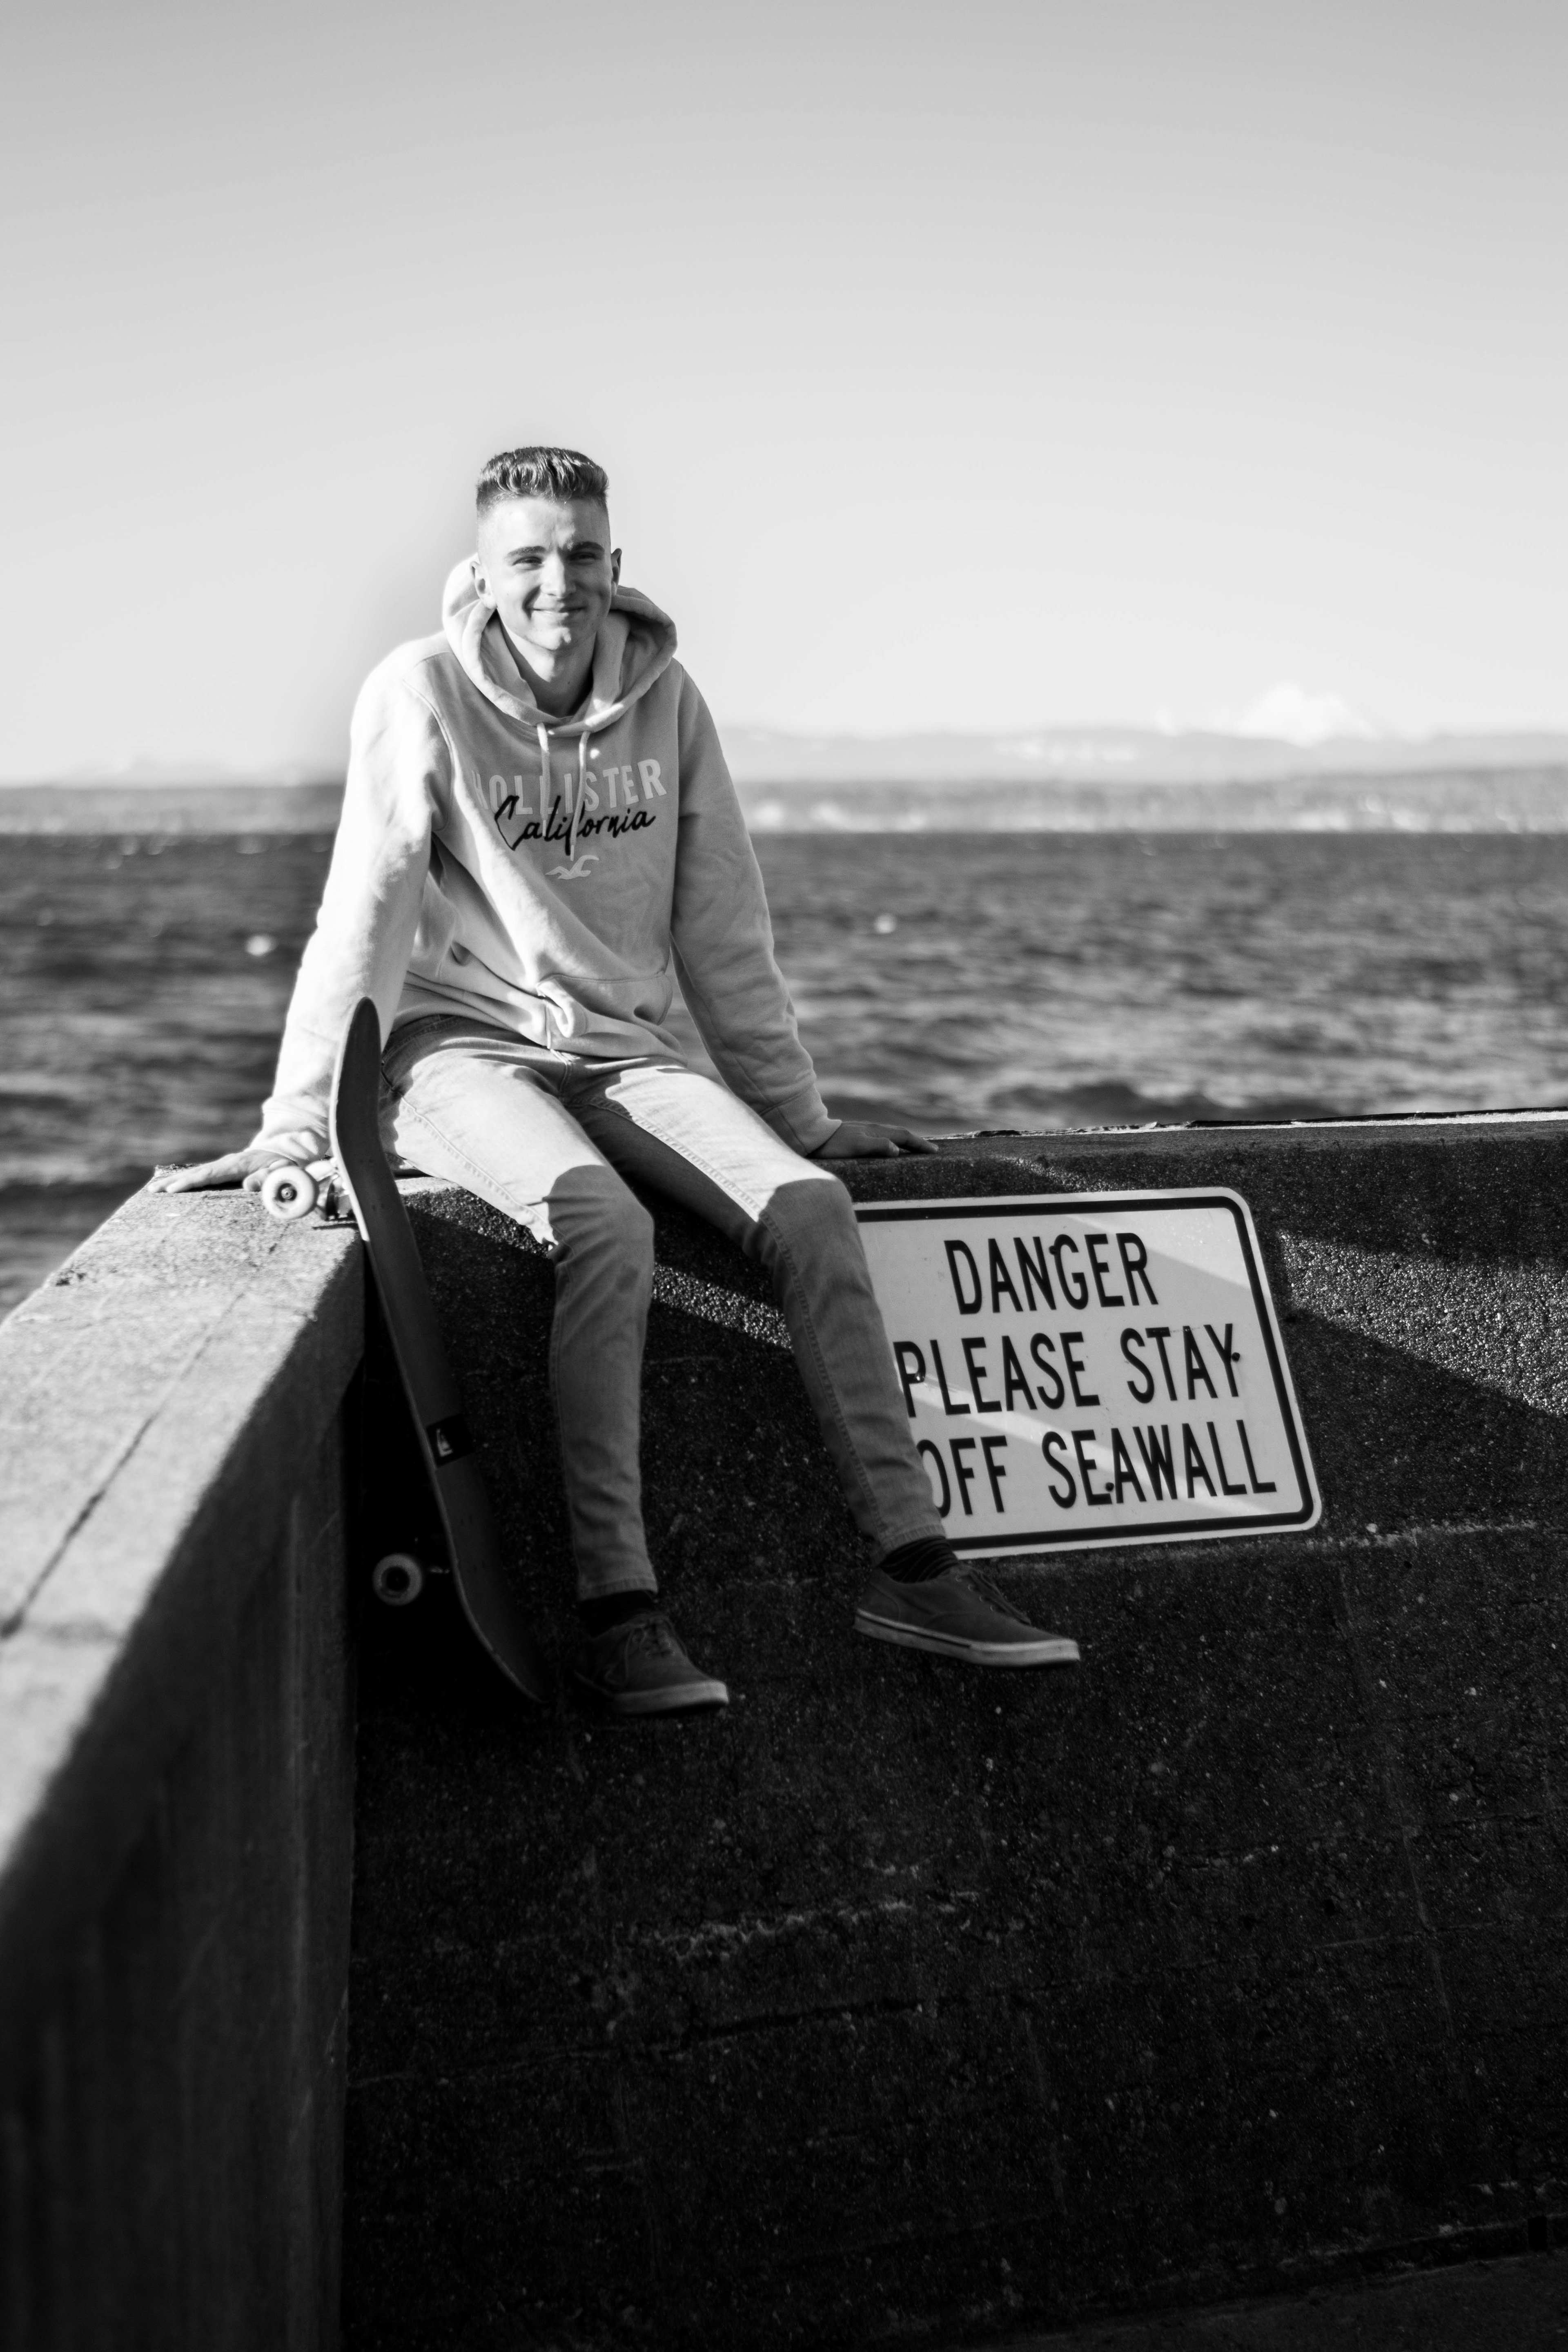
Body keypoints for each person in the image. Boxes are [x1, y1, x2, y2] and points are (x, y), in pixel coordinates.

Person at [154, 446, 1080, 1713]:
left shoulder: (669, 699)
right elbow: (361, 917)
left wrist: (801, 1121)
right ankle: (622, 1611)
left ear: (615, 563)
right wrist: (295, 1127)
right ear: (484, 573)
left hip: (626, 1055)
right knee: (604, 1221)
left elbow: (723, 928)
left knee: (812, 1209)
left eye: (582, 554)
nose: (559, 583)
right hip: (457, 1049)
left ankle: (915, 1573)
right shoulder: (420, 692)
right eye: (530, 558)